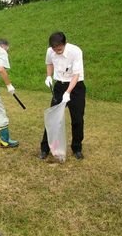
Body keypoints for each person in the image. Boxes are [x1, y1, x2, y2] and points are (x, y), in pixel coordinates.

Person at [40, 32, 86, 160]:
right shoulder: (50, 51)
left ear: (65, 44)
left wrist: (68, 92)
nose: (57, 51)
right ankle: (45, 148)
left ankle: (77, 148)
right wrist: (49, 76)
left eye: (59, 48)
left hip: (76, 87)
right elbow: (49, 63)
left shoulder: (75, 51)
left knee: (77, 119)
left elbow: (76, 75)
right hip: (59, 86)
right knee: (53, 118)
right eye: (54, 49)